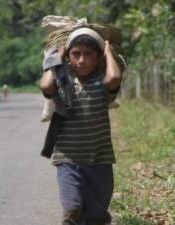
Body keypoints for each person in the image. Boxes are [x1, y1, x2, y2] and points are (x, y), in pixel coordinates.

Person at [40, 27, 122, 225]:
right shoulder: (63, 83)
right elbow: (45, 86)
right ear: (68, 57)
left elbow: (114, 78)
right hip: (68, 161)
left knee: (96, 215)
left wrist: (108, 53)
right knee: (72, 208)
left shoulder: (101, 85)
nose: (82, 60)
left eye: (88, 55)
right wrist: (56, 57)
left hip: (100, 161)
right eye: (76, 54)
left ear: (98, 58)